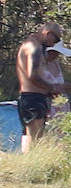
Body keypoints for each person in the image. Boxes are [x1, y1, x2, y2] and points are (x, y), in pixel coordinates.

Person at [15, 22, 66, 151]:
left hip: (34, 97)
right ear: (47, 33)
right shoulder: (34, 47)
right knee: (34, 138)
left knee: (32, 136)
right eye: (55, 40)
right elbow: (32, 75)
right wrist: (51, 88)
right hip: (33, 98)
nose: (53, 44)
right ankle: (30, 167)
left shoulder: (32, 45)